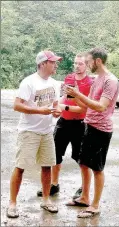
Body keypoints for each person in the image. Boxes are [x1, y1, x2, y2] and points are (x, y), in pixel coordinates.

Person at [6, 50, 63, 218]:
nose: (55, 65)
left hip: (46, 132)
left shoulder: (54, 83)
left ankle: (46, 200)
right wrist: (40, 110)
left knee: (47, 166)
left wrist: (56, 111)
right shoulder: (29, 82)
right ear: (42, 64)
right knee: (21, 167)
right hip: (28, 131)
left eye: (55, 62)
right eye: (52, 62)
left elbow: (55, 104)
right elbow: (17, 105)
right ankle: (12, 203)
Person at [64, 47, 119, 218]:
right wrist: (74, 96)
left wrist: (78, 94)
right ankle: (84, 197)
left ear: (98, 61)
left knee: (97, 168)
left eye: (88, 62)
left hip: (101, 129)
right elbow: (90, 103)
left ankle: (95, 206)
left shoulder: (110, 81)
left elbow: (101, 106)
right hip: (89, 125)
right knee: (83, 162)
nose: (87, 66)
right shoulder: (98, 79)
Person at [36, 53, 94, 200]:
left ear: (87, 65)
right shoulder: (69, 78)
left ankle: (84, 188)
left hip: (80, 123)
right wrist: (57, 105)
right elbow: (63, 97)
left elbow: (85, 109)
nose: (77, 66)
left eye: (80, 64)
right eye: (75, 63)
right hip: (64, 122)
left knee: (81, 158)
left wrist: (64, 108)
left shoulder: (89, 83)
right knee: (55, 154)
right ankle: (54, 184)